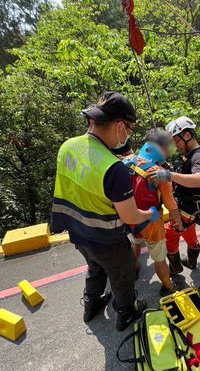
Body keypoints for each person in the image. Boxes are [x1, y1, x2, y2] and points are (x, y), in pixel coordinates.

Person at [51, 91, 160, 330]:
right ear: (120, 125)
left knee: (94, 267)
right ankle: (126, 312)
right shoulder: (113, 169)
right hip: (107, 239)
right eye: (129, 129)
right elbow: (130, 216)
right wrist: (150, 213)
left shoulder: (67, 146)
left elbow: (86, 178)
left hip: (77, 233)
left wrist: (117, 168)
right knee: (122, 276)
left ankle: (91, 303)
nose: (128, 135)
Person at [125, 128, 184, 296]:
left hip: (131, 217)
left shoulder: (129, 160)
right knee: (159, 257)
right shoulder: (159, 174)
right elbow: (171, 204)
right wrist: (179, 224)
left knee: (136, 242)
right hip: (152, 220)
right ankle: (168, 286)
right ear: (162, 148)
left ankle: (135, 267)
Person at [147, 116, 200, 274]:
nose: (175, 145)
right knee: (188, 232)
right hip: (189, 207)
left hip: (186, 208)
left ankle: (175, 268)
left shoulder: (199, 156)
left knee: (170, 237)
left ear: (187, 135)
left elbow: (198, 179)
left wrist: (169, 175)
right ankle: (192, 261)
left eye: (177, 140)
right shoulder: (190, 155)